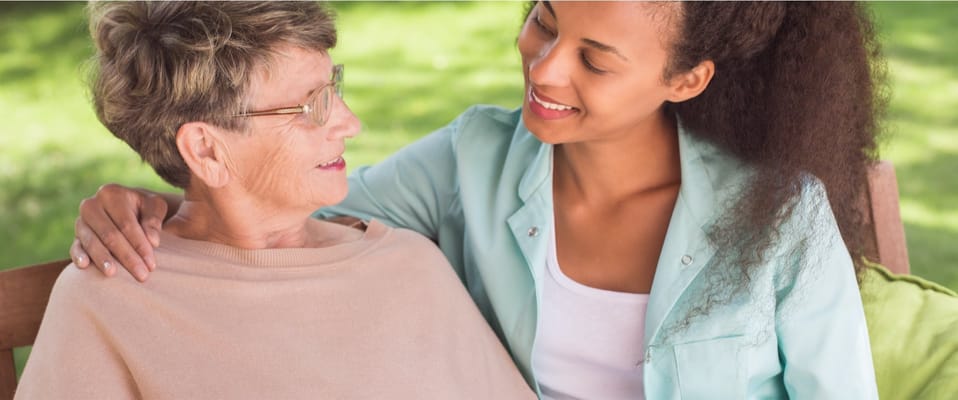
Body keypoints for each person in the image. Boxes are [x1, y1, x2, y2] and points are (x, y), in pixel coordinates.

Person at [70, 2, 885, 398]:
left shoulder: (779, 216)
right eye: (543, 20)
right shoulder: (470, 160)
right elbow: (287, 214)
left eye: (595, 60)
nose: (546, 67)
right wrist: (161, 195)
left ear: (685, 80)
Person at [15, 2, 536, 399]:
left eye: (334, 86)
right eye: (312, 106)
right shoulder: (109, 297)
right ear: (206, 149)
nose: (349, 123)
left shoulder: (408, 268)